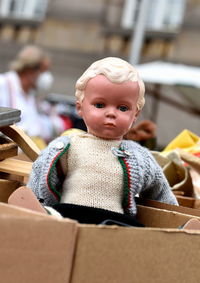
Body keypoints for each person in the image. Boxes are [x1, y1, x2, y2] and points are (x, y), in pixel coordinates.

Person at [26, 57, 178, 225]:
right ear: (80, 108)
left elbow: (161, 192)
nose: (111, 113)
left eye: (123, 108)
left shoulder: (139, 157)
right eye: (99, 105)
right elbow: (40, 176)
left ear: (135, 114)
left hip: (115, 224)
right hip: (68, 217)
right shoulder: (67, 146)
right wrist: (32, 209)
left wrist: (175, 222)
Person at [0, 45, 66, 143]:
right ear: (30, 69)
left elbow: (34, 125)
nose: (47, 76)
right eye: (44, 70)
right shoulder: (3, 84)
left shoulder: (30, 94)